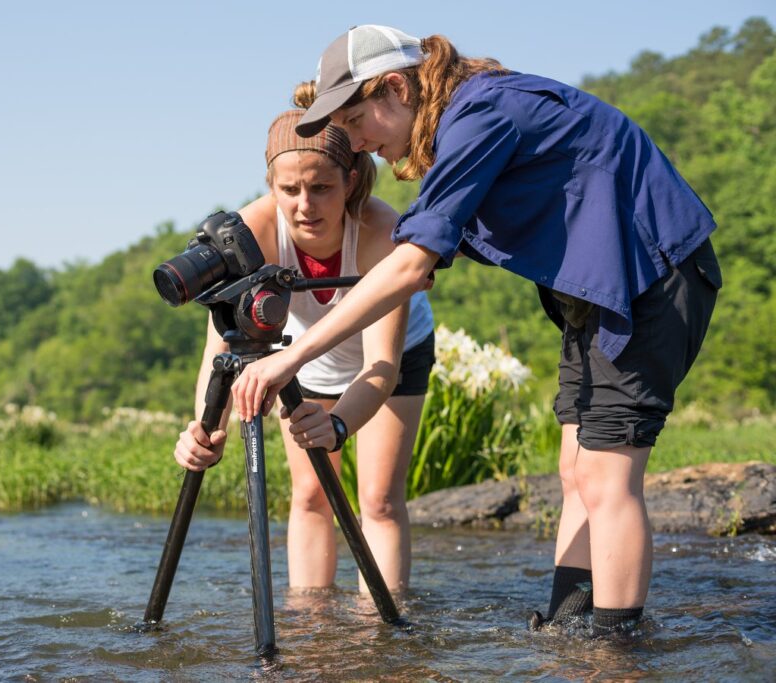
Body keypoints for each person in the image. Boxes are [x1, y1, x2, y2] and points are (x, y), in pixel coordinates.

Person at [230, 25, 721, 636]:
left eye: (358, 123)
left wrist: (287, 358)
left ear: (394, 88)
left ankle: (614, 652)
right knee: (576, 471)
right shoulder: (468, 113)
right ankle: (569, 628)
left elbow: (408, 265)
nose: (357, 143)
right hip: (597, 293)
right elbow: (431, 241)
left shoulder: (480, 113)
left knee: (606, 475)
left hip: (652, 276)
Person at [173, 97, 435, 593]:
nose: (305, 206)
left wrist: (337, 425)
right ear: (270, 187)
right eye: (289, 190)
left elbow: (381, 363)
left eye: (321, 188)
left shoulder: (383, 232)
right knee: (312, 495)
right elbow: (222, 347)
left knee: (377, 499)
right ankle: (311, 631)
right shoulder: (251, 233)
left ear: (351, 181)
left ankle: (379, 637)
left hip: (391, 359)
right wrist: (208, 429)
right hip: (304, 356)